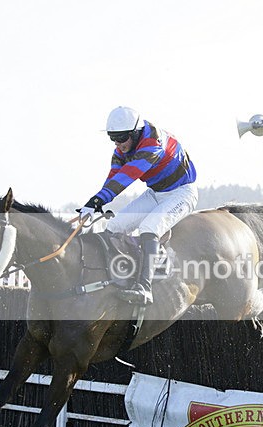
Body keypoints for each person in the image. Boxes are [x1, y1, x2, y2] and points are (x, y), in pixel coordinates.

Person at [80, 106, 198, 305]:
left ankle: (145, 287)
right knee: (114, 226)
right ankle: (116, 275)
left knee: (149, 228)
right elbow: (114, 177)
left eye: (121, 138)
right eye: (113, 138)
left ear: (135, 133)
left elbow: (127, 177)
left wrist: (97, 201)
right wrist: (94, 204)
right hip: (155, 193)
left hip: (182, 192)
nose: (117, 144)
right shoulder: (122, 149)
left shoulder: (152, 144)